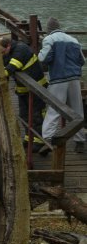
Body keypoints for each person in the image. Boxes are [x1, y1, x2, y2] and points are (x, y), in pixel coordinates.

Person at [38, 17, 85, 154]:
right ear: (59, 27)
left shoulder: (49, 39)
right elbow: (81, 60)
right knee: (77, 111)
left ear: (48, 30)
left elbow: (43, 58)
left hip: (58, 79)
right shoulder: (73, 40)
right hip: (74, 79)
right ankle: (80, 141)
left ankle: (48, 139)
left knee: (54, 109)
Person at [0, 35, 48, 153]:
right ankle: (29, 138)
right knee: (24, 115)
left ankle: (39, 140)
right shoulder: (7, 52)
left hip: (36, 88)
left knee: (36, 115)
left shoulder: (21, 49)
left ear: (8, 46)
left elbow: (11, 68)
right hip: (23, 89)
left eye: (2, 51)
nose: (2, 54)